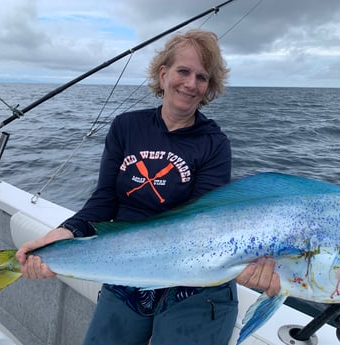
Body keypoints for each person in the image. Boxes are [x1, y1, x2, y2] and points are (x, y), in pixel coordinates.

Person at [16, 29, 280, 345]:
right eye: (184, 71)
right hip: (128, 267)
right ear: (163, 73)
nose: (191, 84)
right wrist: (65, 232)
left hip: (194, 283)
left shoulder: (214, 144)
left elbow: (202, 226)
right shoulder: (126, 127)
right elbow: (104, 199)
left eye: (202, 77)